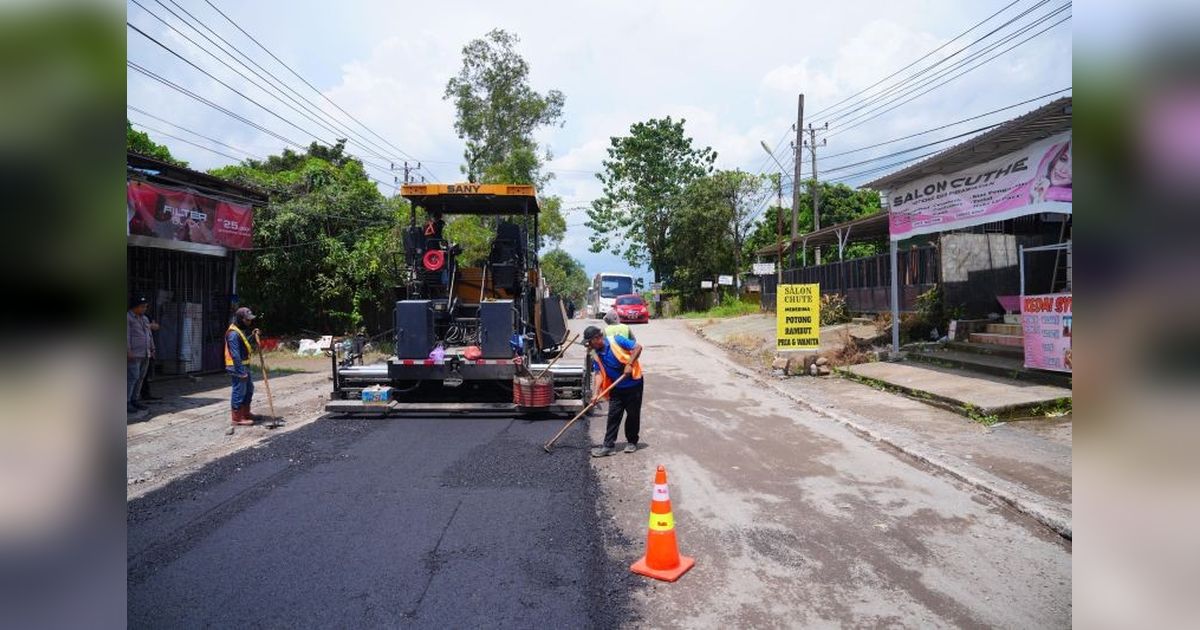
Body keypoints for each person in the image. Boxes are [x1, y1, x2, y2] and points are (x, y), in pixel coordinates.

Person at [584, 325, 644, 457]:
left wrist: (629, 364)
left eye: (590, 342)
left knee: (633, 415)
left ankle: (632, 442)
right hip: (616, 387)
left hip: (633, 384)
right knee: (613, 416)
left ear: (597, 338)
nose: (589, 345)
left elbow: (638, 347)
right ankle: (608, 446)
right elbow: (599, 374)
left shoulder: (616, 340)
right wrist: (595, 394)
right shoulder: (595, 353)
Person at [226, 306, 261, 426]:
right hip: (237, 367)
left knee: (249, 389)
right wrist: (241, 372)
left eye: (250, 319)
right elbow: (235, 354)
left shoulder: (239, 331)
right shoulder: (233, 334)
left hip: (244, 366)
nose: (249, 322)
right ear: (240, 319)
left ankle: (246, 413)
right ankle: (237, 418)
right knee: (239, 391)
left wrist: (253, 335)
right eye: (247, 320)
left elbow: (244, 344)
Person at [127, 295, 155, 414]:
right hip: (134, 353)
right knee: (132, 377)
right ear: (135, 306)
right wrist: (128, 351)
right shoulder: (128, 318)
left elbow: (149, 334)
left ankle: (135, 399)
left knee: (140, 378)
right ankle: (127, 401)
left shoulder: (144, 319)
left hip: (145, 353)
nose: (144, 309)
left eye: (145, 307)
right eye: (142, 306)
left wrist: (152, 348)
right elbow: (126, 336)